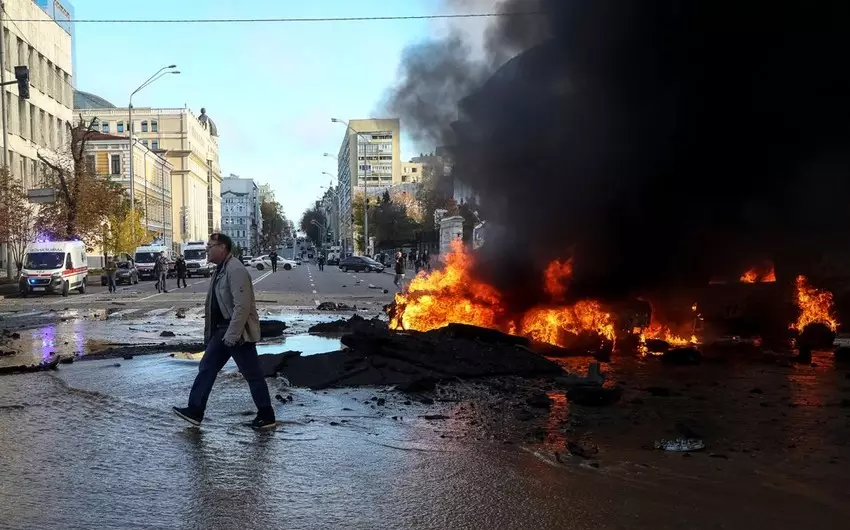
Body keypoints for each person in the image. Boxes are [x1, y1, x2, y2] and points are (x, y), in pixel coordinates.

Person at [173, 233, 276, 430]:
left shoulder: (235, 269)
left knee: (252, 374)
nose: (207, 250)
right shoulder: (221, 269)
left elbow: (242, 306)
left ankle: (266, 415)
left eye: (210, 246)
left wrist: (233, 334)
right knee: (207, 368)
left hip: (236, 332)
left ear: (222, 247)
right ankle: (195, 411)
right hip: (223, 331)